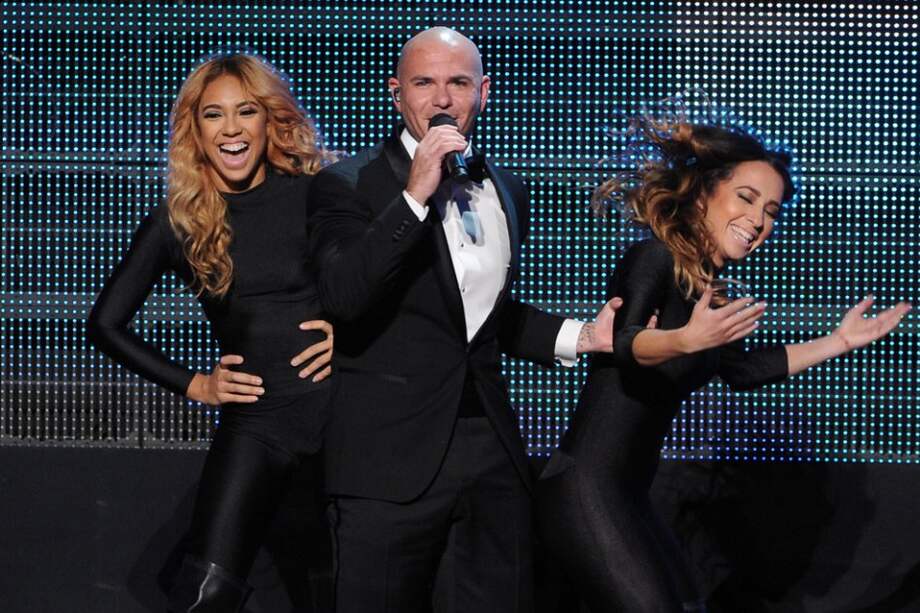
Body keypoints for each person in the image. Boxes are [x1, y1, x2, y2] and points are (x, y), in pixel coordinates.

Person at [535, 115, 912, 612]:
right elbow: (621, 343)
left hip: (627, 494)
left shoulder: (709, 294)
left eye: (772, 210)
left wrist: (839, 340)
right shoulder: (654, 257)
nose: (759, 220)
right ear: (704, 194)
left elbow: (744, 371)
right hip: (584, 486)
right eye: (747, 198)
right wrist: (685, 340)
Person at [307, 27, 619, 613]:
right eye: (424, 83)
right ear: (396, 94)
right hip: (387, 459)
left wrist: (584, 336)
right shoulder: (347, 183)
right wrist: (415, 196)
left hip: (490, 452)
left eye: (458, 82)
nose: (442, 99)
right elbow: (344, 296)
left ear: (484, 93)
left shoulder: (504, 188)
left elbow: (483, 320)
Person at [87, 53, 337, 612]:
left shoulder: (321, 192)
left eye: (245, 111)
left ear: (270, 119)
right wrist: (194, 384)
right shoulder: (181, 220)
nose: (230, 130)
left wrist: (350, 337)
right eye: (213, 115)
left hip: (344, 420)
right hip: (257, 428)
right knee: (205, 593)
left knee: (336, 590)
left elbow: (387, 285)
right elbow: (105, 323)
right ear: (194, 130)